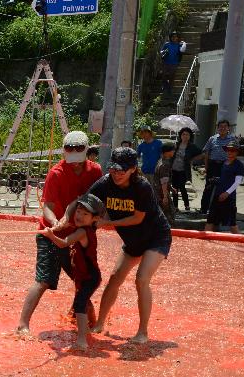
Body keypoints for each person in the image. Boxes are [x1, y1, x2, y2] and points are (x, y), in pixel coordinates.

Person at [66, 147, 172, 344]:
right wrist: (66, 219)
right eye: (113, 169)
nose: (116, 174)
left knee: (141, 279)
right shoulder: (105, 183)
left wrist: (107, 222)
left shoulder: (142, 187)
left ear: (133, 169)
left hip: (156, 237)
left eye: (121, 170)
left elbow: (137, 218)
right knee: (114, 278)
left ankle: (142, 332)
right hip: (133, 242)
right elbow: (82, 201)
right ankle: (99, 323)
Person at [16, 130, 103, 334]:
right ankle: (22, 324)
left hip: (79, 236)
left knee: (85, 280)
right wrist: (55, 222)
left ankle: (88, 322)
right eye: (69, 152)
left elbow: (98, 201)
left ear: (85, 151)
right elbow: (47, 205)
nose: (73, 159)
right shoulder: (56, 173)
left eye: (78, 153)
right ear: (64, 151)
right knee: (43, 280)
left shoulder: (95, 172)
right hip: (50, 234)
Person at [38, 193, 105, 350]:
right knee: (81, 303)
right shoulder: (82, 228)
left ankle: (82, 340)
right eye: (78, 211)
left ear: (95, 218)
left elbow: (62, 244)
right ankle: (88, 329)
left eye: (85, 214)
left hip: (90, 277)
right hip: (84, 276)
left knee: (80, 304)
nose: (79, 216)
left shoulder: (82, 232)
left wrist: (50, 235)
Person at [205, 142, 244, 234]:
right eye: (228, 150)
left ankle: (240, 241)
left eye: (233, 150)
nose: (230, 152)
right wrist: (215, 180)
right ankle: (204, 242)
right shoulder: (224, 163)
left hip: (229, 197)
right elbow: (223, 177)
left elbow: (237, 181)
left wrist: (227, 193)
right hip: (217, 194)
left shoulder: (239, 165)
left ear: (237, 152)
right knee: (211, 219)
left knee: (231, 223)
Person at [200, 120, 236, 214]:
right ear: (217, 128)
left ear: (228, 128)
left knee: (224, 188)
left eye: (225, 126)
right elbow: (207, 153)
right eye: (220, 126)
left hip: (225, 166)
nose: (222, 128)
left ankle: (221, 210)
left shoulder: (232, 139)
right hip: (213, 165)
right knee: (209, 187)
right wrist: (206, 167)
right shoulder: (212, 139)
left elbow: (236, 154)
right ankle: (204, 209)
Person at [170, 127, 202, 211]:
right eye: (183, 134)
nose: (185, 136)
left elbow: (202, 154)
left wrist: (192, 160)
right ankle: (175, 206)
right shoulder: (176, 145)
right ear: (180, 135)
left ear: (190, 136)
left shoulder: (192, 146)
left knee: (182, 187)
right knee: (174, 188)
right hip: (174, 169)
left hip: (183, 170)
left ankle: (187, 205)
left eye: (187, 134)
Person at [153, 140, 176, 224]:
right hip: (161, 194)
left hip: (158, 193)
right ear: (167, 151)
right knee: (169, 216)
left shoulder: (160, 161)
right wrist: (165, 197)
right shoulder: (165, 164)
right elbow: (163, 182)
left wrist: (170, 187)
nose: (174, 151)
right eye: (173, 150)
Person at [160, 32, 186, 97]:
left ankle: (170, 89)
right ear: (170, 38)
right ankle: (164, 86)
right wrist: (164, 51)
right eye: (173, 37)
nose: (174, 38)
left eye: (175, 37)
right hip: (166, 62)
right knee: (164, 75)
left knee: (172, 76)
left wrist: (184, 43)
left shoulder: (179, 45)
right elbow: (161, 51)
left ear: (177, 38)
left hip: (174, 63)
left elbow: (183, 50)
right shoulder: (167, 44)